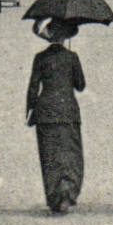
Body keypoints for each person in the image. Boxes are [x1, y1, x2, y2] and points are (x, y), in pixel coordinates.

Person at [26, 18, 86, 214]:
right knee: (71, 154)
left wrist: (30, 110)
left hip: (45, 111)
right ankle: (68, 194)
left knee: (49, 155)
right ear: (66, 35)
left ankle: (53, 197)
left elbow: (33, 87)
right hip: (68, 110)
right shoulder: (72, 57)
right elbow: (80, 85)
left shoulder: (40, 57)